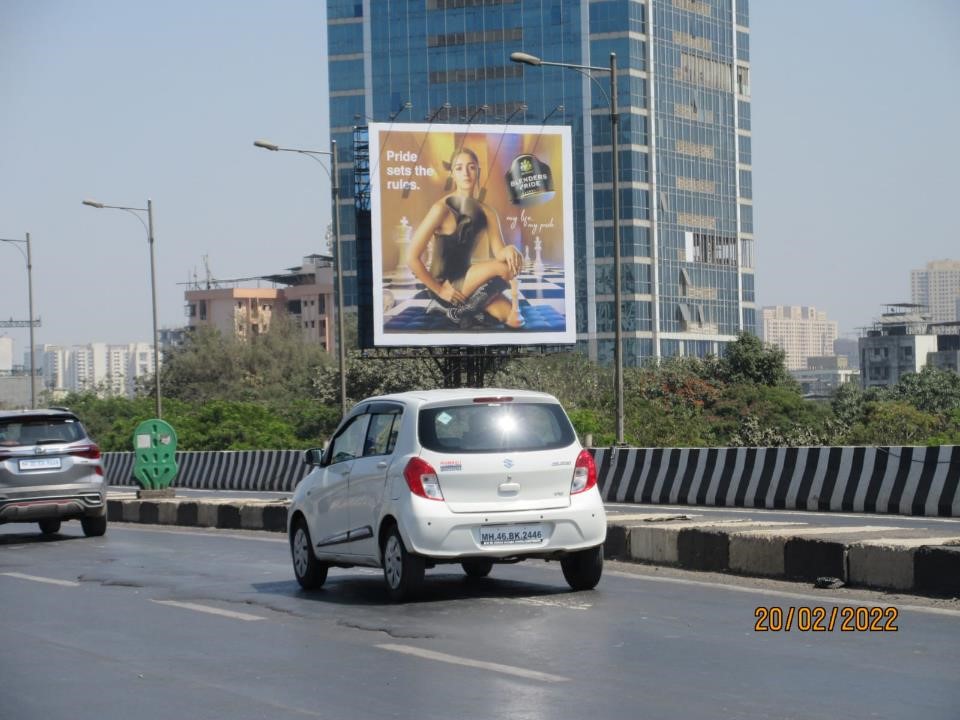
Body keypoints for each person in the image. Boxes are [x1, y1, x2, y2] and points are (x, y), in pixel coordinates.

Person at [407, 147, 524, 329]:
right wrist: (439, 290)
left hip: (469, 279)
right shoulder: (441, 208)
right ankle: (447, 305)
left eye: (471, 167)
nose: (466, 173)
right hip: (445, 284)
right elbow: (411, 257)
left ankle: (462, 311)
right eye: (459, 168)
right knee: (505, 270)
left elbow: (499, 251)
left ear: (478, 171)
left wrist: (509, 249)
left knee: (511, 318)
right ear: (452, 173)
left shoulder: (487, 212)